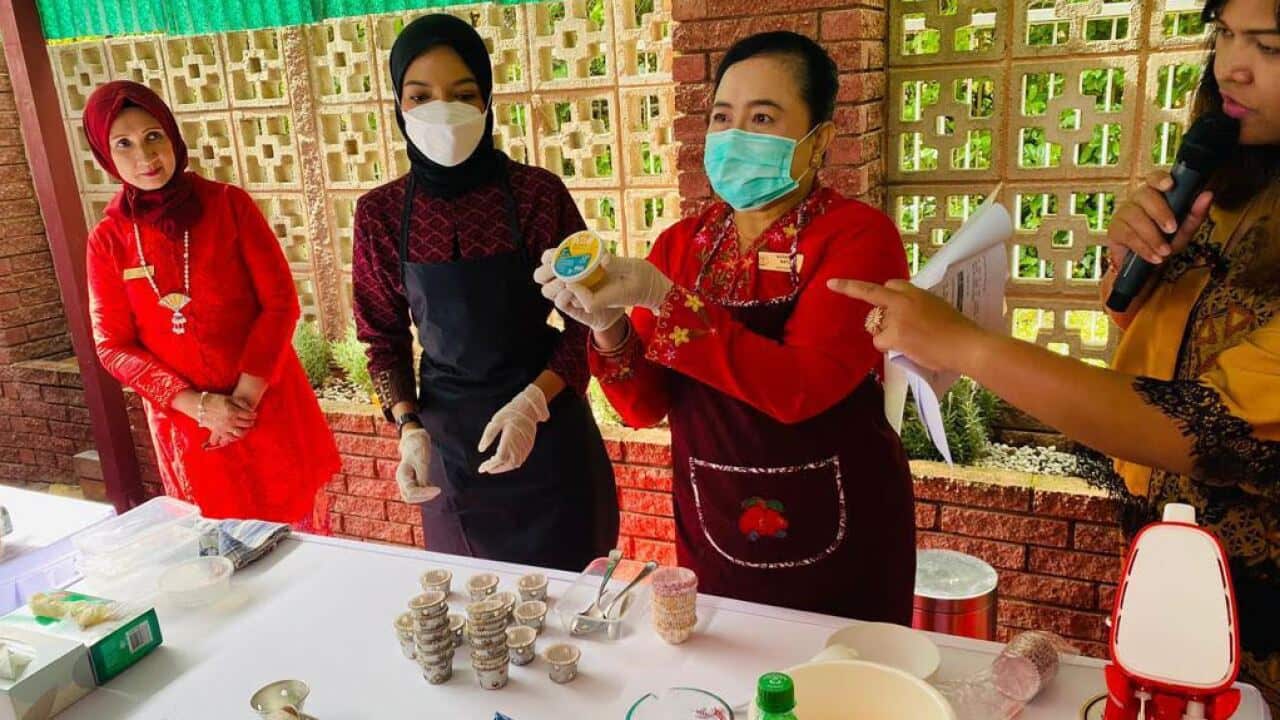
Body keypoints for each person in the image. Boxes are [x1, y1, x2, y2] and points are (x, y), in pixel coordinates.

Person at [831, 0, 1280, 709]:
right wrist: (1130, 274)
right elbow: (1148, 360)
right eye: (1224, 34)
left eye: (1269, 45)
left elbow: (1203, 426)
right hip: (1169, 556)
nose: (1233, 65)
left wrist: (961, 344)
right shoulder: (1230, 185)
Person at [536, 32, 916, 623]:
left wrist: (665, 299)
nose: (736, 135)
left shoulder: (856, 239)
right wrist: (608, 327)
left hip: (843, 526)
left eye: (762, 116)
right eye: (722, 117)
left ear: (820, 140)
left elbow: (799, 389)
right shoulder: (682, 245)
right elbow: (643, 407)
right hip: (713, 520)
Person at [352, 14, 618, 571]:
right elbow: (381, 336)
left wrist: (532, 403)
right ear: (398, 104)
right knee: (478, 615)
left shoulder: (537, 195)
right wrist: (407, 428)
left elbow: (586, 321)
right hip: (449, 450)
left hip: (550, 439)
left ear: (487, 100)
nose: (441, 111)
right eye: (420, 96)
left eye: (462, 93)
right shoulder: (378, 214)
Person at [84, 81, 340, 529]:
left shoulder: (228, 205)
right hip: (191, 430)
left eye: (153, 136)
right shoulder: (109, 241)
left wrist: (240, 404)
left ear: (171, 135)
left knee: (304, 546)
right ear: (105, 155)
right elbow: (112, 345)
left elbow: (280, 303)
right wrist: (199, 407)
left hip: (267, 406)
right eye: (122, 144)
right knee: (219, 553)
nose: (145, 157)